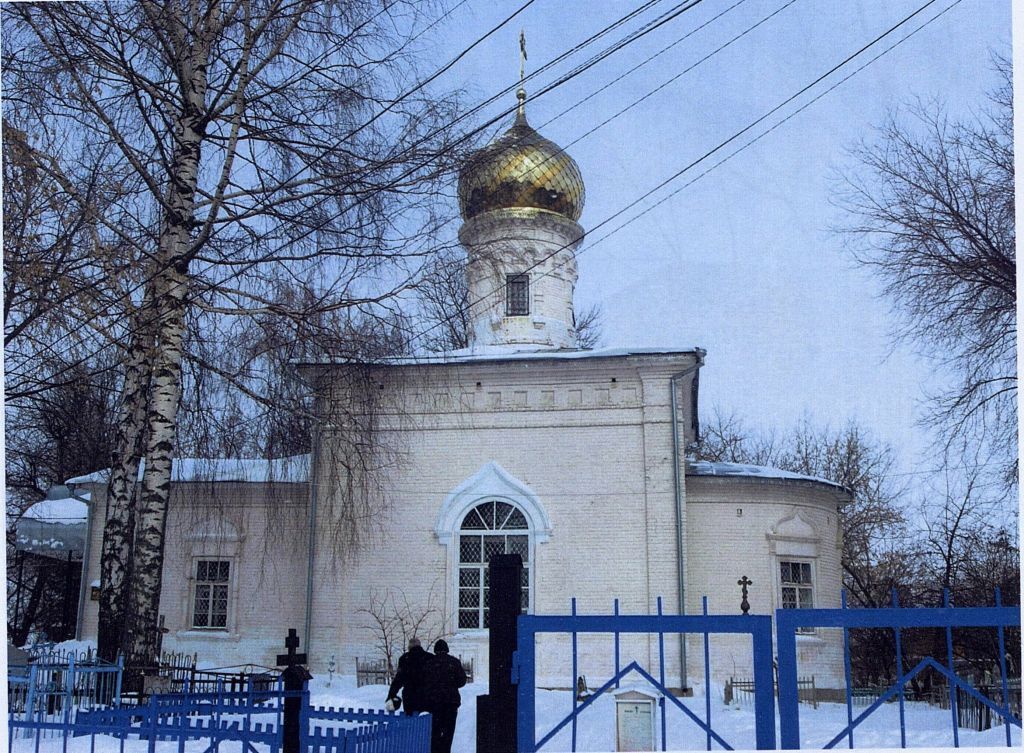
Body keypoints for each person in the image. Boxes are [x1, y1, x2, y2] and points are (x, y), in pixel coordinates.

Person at [423, 639, 467, 753]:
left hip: (435, 702)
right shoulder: (454, 662)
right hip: (451, 702)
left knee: (435, 731)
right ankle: (446, 749)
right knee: (448, 730)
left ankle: (435, 750)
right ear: (447, 649)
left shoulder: (430, 663)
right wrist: (451, 684)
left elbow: (425, 681)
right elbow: (462, 680)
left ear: (435, 650)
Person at [386, 637, 431, 715]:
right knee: (426, 719)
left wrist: (391, 694)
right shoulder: (429, 658)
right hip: (426, 695)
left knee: (410, 719)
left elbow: (398, 679)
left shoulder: (404, 659)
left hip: (409, 696)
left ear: (409, 647)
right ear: (420, 646)